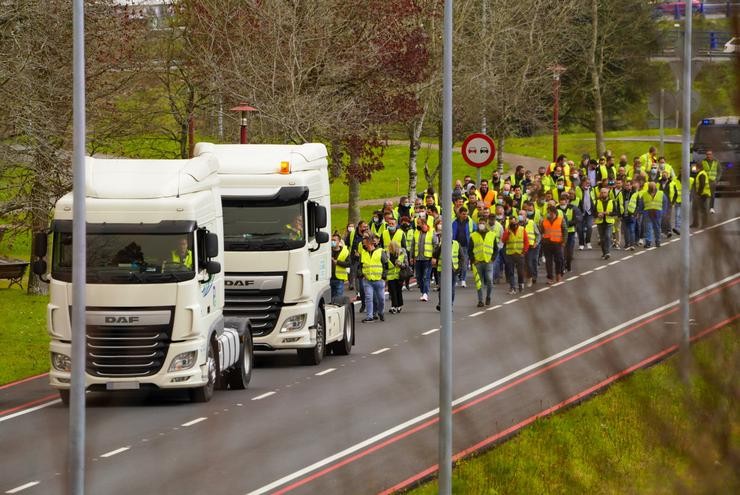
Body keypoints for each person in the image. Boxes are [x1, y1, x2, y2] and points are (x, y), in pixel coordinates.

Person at [360, 235, 388, 323]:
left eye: (365, 244)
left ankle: (381, 312)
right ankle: (369, 316)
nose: (364, 246)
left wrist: (384, 277)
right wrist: (361, 273)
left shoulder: (380, 252)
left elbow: (386, 264)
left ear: (371, 243)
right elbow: (361, 265)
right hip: (367, 280)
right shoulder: (364, 253)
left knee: (381, 299)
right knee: (368, 298)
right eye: (363, 244)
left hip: (379, 280)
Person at [469, 219, 496, 306]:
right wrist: (473, 260)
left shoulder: (492, 235)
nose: (481, 225)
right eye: (480, 223)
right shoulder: (473, 235)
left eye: (483, 223)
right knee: (479, 282)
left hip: (488, 261)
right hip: (478, 262)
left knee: (489, 280)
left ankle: (488, 296)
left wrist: (493, 258)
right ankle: (480, 300)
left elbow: (496, 249)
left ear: (486, 224)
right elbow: (470, 250)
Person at [410, 215, 437, 302]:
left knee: (426, 276)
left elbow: (435, 246)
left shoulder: (431, 232)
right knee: (419, 277)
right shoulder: (416, 232)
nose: (417, 225)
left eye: (418, 223)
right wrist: (411, 257)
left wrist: (434, 257)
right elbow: (413, 245)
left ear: (424, 224)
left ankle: (425, 293)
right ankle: (423, 292)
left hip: (427, 258)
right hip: (418, 258)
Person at [501, 216, 529, 294]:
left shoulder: (522, 229)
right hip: (510, 254)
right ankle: (512, 287)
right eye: (512, 223)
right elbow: (503, 240)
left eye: (515, 222)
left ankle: (521, 284)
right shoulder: (507, 230)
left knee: (520, 271)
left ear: (517, 222)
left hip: (520, 254)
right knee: (511, 272)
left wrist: (524, 252)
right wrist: (507, 233)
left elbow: (526, 242)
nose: (514, 224)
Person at [540, 205, 567, 284]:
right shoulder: (544, 221)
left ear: (555, 213)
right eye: (548, 213)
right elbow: (541, 230)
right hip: (546, 243)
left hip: (558, 243)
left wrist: (564, 241)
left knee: (559, 260)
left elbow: (565, 231)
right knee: (548, 261)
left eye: (550, 213)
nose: (549, 215)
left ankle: (558, 274)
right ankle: (550, 277)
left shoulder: (561, 220)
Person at [451, 206, 474, 287]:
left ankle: (463, 280)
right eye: (463, 214)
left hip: (465, 246)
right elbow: (452, 234)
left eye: (466, 214)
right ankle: (456, 278)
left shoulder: (469, 222)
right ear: (459, 214)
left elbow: (475, 230)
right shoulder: (454, 222)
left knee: (464, 263)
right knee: (455, 263)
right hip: (456, 246)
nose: (465, 216)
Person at [385, 240, 407, 314]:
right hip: (390, 276)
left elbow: (406, 265)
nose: (391, 248)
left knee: (398, 291)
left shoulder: (402, 254)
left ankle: (399, 306)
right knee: (392, 292)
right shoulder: (387, 255)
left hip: (399, 276)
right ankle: (394, 306)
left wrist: (400, 264)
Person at [595, 187, 615, 259]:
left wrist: (609, 213)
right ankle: (604, 253)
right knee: (602, 239)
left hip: (609, 222)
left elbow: (616, 212)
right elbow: (594, 212)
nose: (603, 194)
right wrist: (598, 214)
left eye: (604, 192)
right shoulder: (597, 202)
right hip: (600, 222)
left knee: (607, 236)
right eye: (602, 192)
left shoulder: (612, 202)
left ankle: (607, 252)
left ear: (607, 193)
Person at [643, 181, 664, 248]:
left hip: (657, 213)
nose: (652, 188)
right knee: (648, 228)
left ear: (655, 187)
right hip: (648, 213)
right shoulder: (644, 194)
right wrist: (641, 211)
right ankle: (648, 242)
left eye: (653, 187)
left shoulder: (661, 193)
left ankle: (657, 241)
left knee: (657, 228)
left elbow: (665, 202)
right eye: (650, 187)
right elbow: (641, 203)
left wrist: (664, 211)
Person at [690, 162, 711, 229]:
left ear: (698, 167)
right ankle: (695, 223)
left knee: (703, 210)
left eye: (695, 167)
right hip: (701, 194)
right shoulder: (700, 174)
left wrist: (698, 194)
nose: (694, 168)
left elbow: (702, 185)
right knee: (695, 209)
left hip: (703, 195)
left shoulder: (702, 174)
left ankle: (704, 224)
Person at [578, 178, 596, 250]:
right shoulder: (577, 189)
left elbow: (594, 199)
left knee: (589, 227)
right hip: (580, 211)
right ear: (582, 183)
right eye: (586, 183)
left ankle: (588, 241)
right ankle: (581, 244)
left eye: (589, 183)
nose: (588, 184)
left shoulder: (592, 189)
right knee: (580, 229)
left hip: (589, 211)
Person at [330, 233, 350, 298]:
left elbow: (349, 263)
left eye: (334, 240)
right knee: (329, 299)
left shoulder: (345, 252)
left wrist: (337, 262)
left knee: (338, 298)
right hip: (328, 279)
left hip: (339, 279)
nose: (333, 242)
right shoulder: (328, 251)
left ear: (339, 241)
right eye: (332, 240)